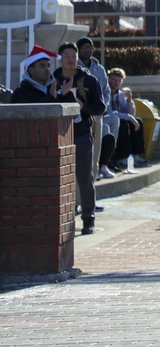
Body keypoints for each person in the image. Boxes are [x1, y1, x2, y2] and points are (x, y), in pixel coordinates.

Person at [52, 42, 107, 236]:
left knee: (85, 179)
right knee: (56, 179)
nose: (70, 60)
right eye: (66, 56)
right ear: (59, 58)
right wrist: (61, 95)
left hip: (82, 134)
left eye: (73, 56)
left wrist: (82, 106)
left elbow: (101, 108)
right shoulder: (53, 79)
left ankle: (88, 219)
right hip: (57, 136)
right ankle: (62, 218)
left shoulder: (89, 80)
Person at [77, 37, 110, 178]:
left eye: (90, 47)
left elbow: (106, 91)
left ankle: (98, 169)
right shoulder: (74, 68)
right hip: (81, 115)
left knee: (97, 145)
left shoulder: (99, 69)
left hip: (97, 113)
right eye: (85, 47)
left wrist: (102, 108)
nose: (88, 49)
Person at [106, 68, 147, 173]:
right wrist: (129, 118)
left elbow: (131, 113)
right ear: (109, 79)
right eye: (114, 80)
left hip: (117, 119)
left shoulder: (120, 94)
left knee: (138, 121)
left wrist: (129, 100)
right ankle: (123, 157)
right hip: (107, 120)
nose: (117, 83)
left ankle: (134, 154)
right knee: (124, 123)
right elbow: (110, 112)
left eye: (119, 81)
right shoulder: (105, 92)